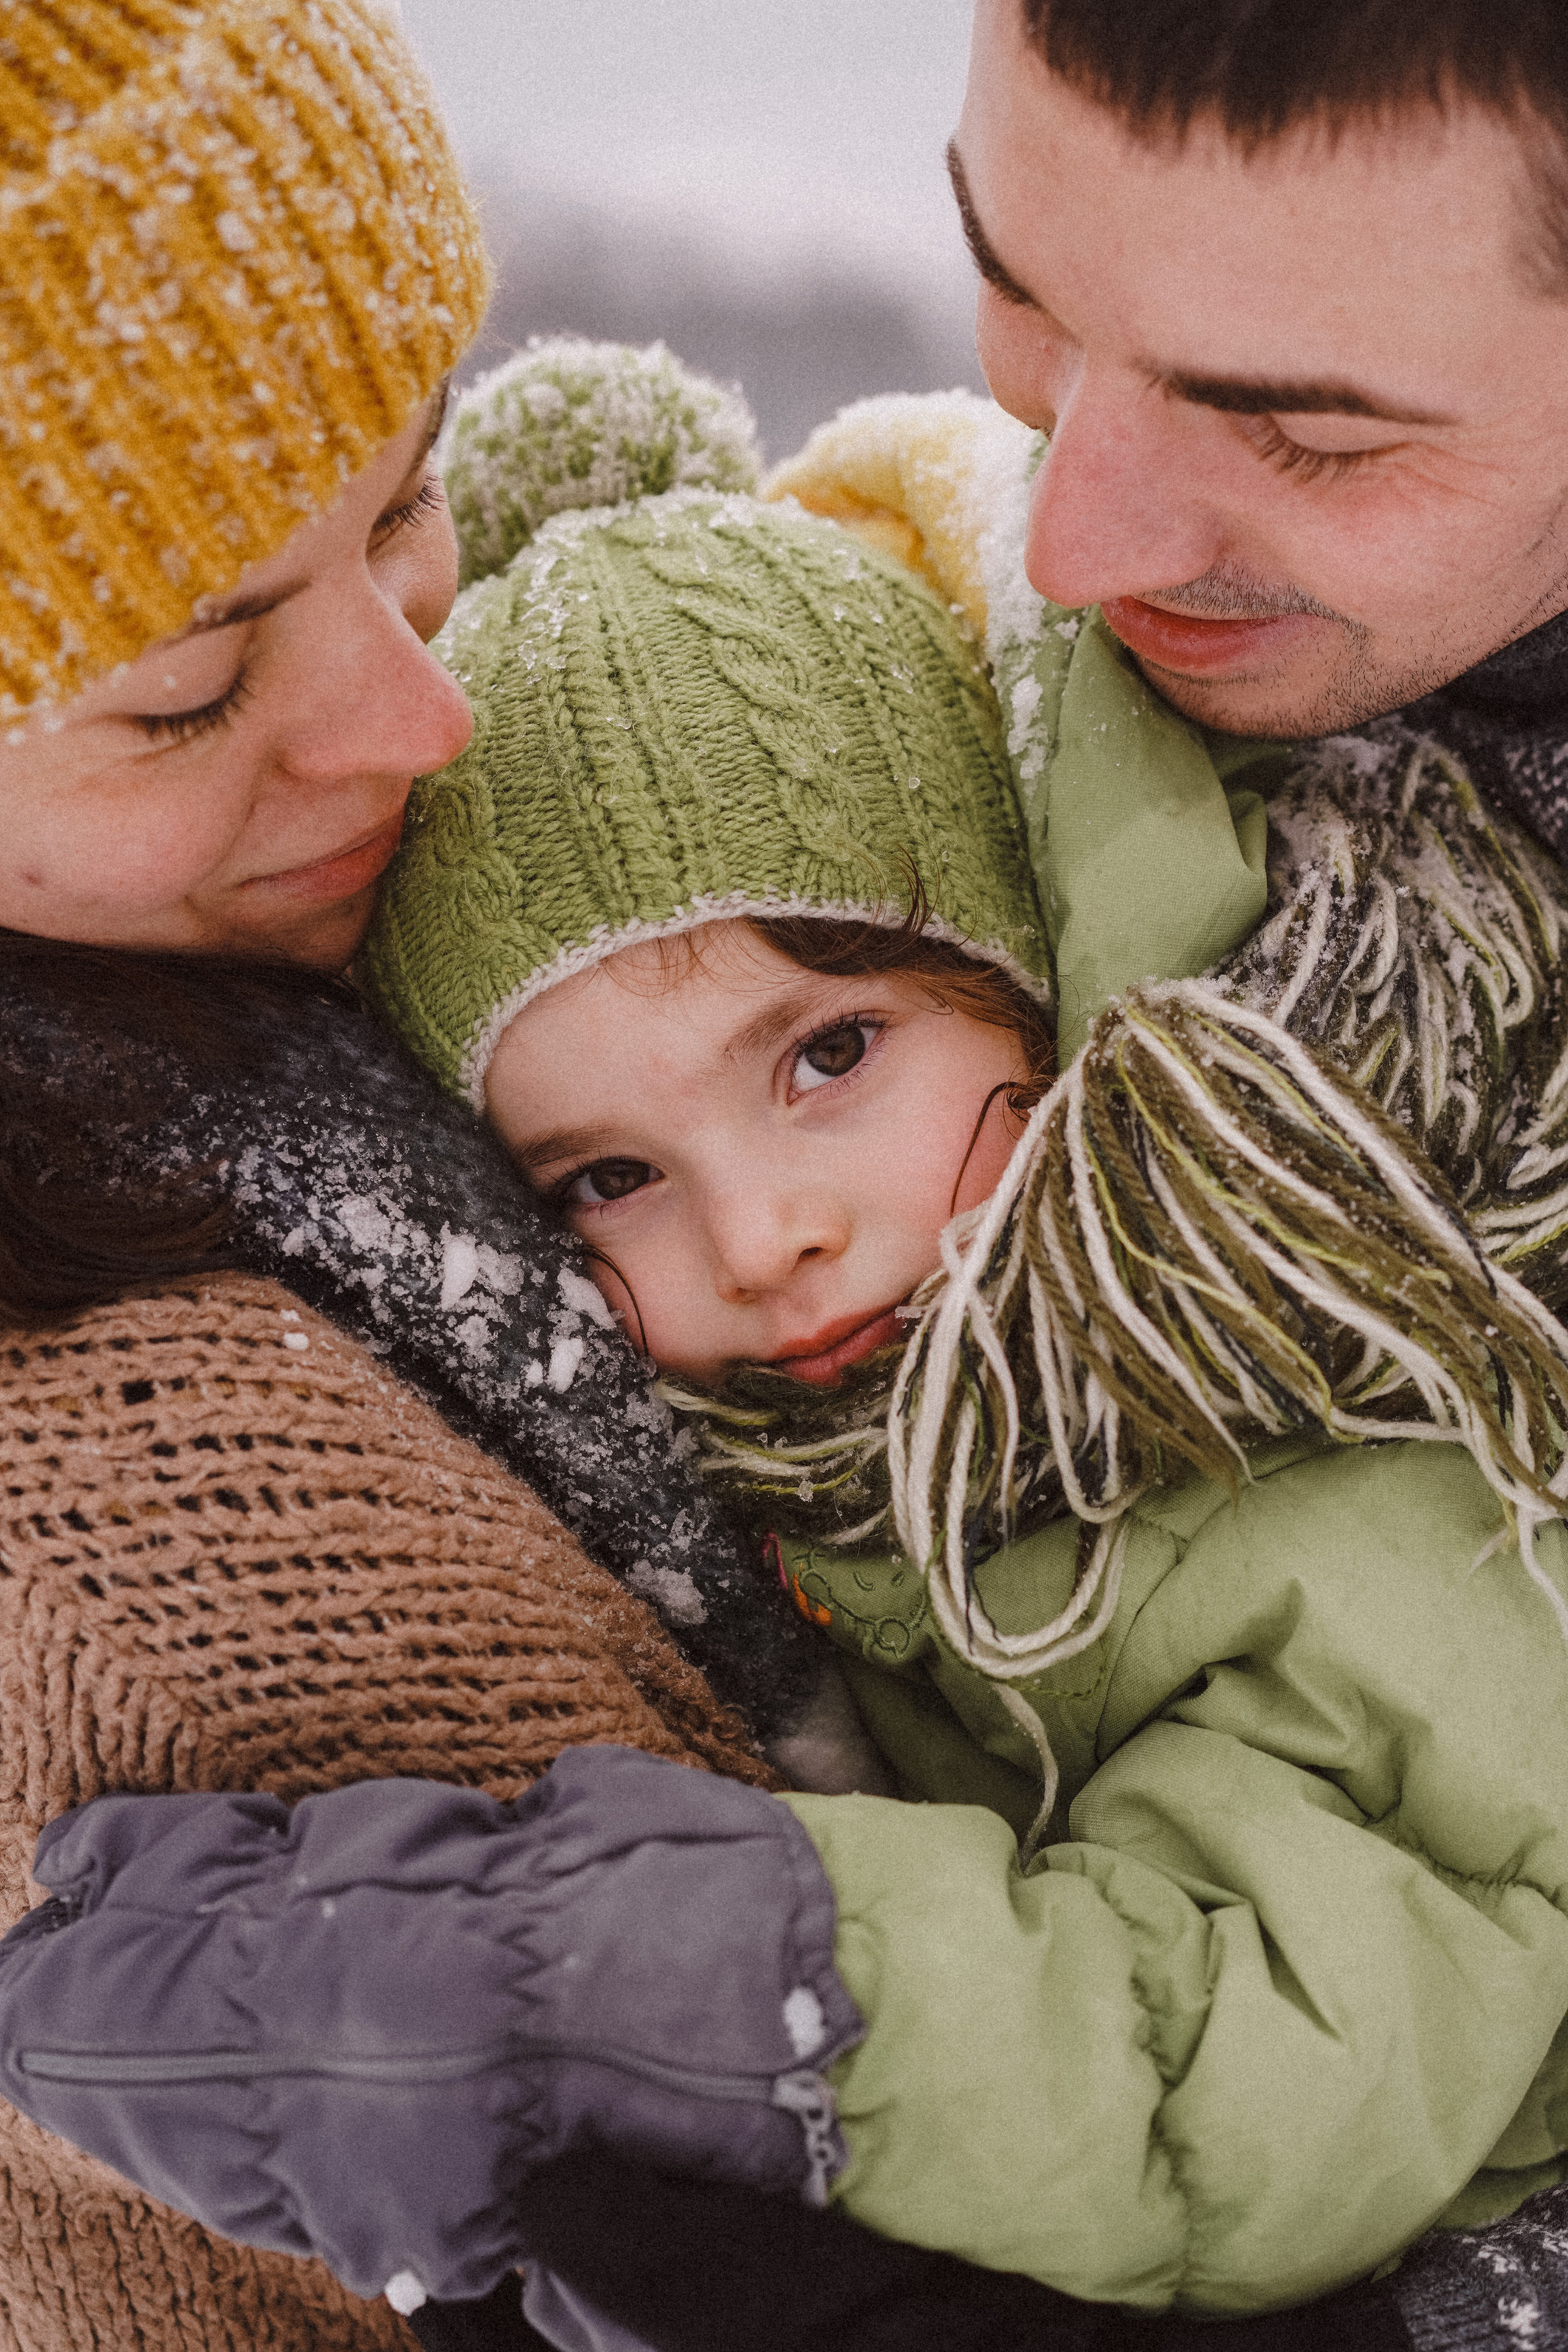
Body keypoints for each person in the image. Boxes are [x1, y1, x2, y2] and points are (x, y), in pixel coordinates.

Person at [17, 439, 1568, 2352]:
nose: (759, 1234)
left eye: (829, 1050)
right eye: (605, 1176)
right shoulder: (838, 1465)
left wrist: (597, 1987)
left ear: (1023, 978)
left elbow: (1253, 2062)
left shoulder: (1328, 1423)